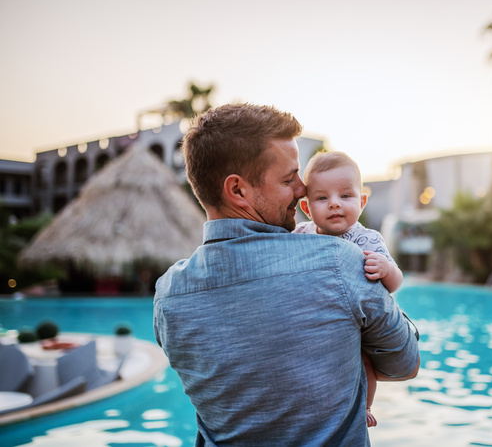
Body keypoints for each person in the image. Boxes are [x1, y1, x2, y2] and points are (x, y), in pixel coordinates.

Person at [153, 103, 420, 446]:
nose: (301, 189)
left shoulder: (168, 296)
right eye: (288, 178)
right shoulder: (339, 263)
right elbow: (406, 362)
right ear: (237, 191)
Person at [293, 151, 404, 427]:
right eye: (322, 198)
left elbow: (396, 282)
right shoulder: (300, 235)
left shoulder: (366, 239)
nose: (334, 205)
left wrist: (386, 270)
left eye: (345, 196)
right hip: (317, 322)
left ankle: (364, 406)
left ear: (362, 202)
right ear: (307, 208)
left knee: (365, 364)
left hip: (355, 325)